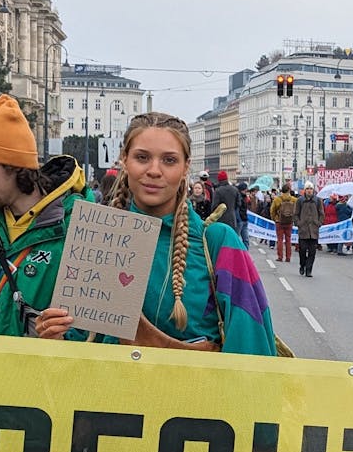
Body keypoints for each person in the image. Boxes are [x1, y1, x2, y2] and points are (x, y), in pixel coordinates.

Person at [33, 112, 278, 355]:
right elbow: (80, 348)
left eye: (169, 160)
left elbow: (252, 356)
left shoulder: (220, 243)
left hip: (194, 394)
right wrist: (57, 336)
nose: (154, 170)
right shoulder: (94, 238)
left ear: (185, 168)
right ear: (124, 160)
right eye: (142, 157)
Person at [0, 95, 84, 336]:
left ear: (12, 163)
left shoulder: (79, 224)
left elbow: (95, 325)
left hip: (50, 369)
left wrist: (67, 339)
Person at [294, 183, 322, 277]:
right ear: (305, 190)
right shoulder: (300, 200)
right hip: (303, 230)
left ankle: (309, 270)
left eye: (311, 188)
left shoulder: (318, 200)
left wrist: (318, 223)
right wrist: (299, 223)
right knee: (302, 250)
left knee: (312, 252)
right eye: (307, 189)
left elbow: (321, 214)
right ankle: (302, 265)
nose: (309, 190)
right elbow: (296, 214)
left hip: (313, 230)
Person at [270, 185, 296, 262]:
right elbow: (297, 210)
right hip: (289, 221)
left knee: (280, 239)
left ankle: (280, 256)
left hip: (279, 221)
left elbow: (272, 210)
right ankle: (288, 257)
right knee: (288, 239)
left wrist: (275, 219)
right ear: (289, 190)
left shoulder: (277, 199)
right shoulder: (294, 200)